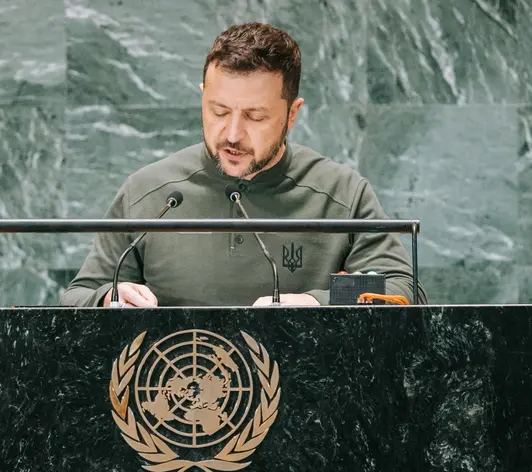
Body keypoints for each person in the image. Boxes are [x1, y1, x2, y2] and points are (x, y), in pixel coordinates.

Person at [60, 22, 426, 308]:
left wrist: (317, 302)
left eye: (255, 116)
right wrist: (110, 297)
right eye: (218, 111)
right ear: (203, 97)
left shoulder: (342, 194)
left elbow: (401, 290)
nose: (232, 134)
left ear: (291, 114)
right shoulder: (147, 192)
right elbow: (77, 298)